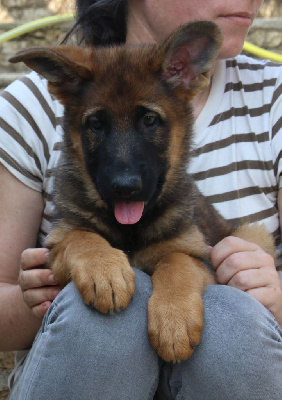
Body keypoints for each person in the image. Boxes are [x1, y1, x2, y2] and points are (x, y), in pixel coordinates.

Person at [0, 0, 282, 398]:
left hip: (221, 366)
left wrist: (275, 301)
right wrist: (41, 296)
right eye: (97, 124)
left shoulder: (275, 98)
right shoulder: (29, 107)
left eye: (150, 120)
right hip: (82, 371)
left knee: (231, 318)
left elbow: (198, 257)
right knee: (102, 319)